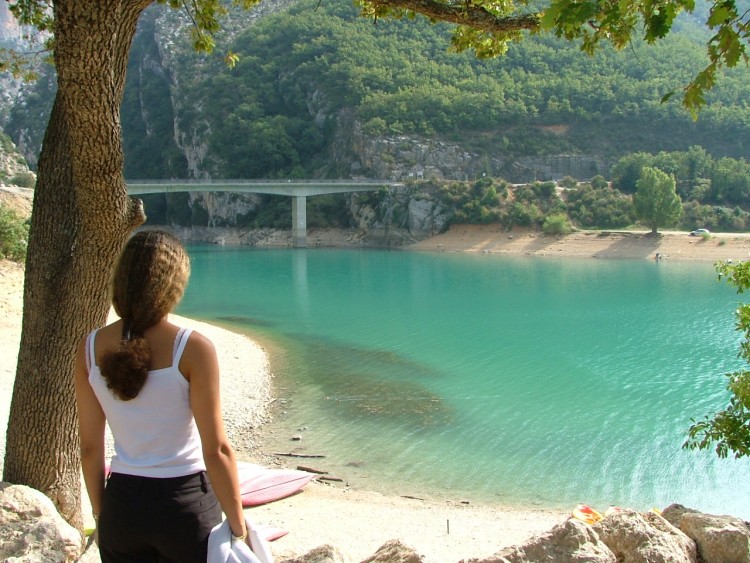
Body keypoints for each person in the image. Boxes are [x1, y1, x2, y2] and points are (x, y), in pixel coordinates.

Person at [74, 229, 249, 562]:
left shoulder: (89, 349)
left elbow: (89, 448)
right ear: (173, 287)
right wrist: (239, 528)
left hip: (122, 506)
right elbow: (217, 450)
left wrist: (102, 515)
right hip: (184, 505)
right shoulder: (193, 348)